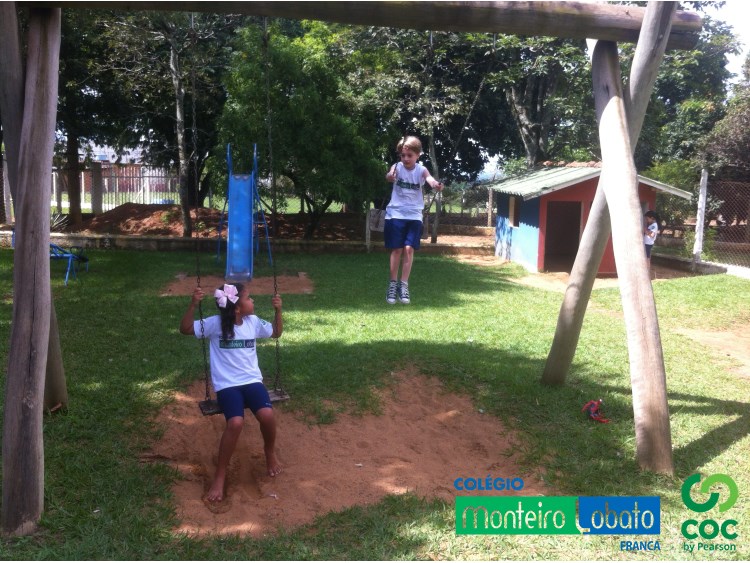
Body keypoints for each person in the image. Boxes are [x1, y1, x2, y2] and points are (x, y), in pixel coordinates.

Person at [180, 283, 283, 502]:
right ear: (237, 308)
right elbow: (186, 328)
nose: (253, 301)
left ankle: (269, 451)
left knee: (267, 415)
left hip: (252, 381)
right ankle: (220, 475)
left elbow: (276, 333)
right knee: (235, 423)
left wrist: (278, 310)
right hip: (227, 385)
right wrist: (193, 304)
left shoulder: (253, 322)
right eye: (249, 298)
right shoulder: (215, 324)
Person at [383, 136, 444, 304]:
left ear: (418, 155)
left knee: (409, 249)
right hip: (395, 214)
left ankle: (404, 285)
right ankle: (393, 284)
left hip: (414, 215)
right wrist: (390, 176)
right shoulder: (396, 167)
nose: (406, 158)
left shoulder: (421, 170)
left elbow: (430, 180)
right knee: (396, 249)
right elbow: (389, 175)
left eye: (409, 155)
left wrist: (436, 185)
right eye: (403, 155)